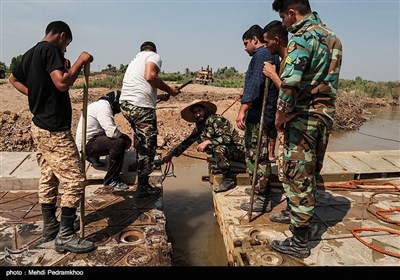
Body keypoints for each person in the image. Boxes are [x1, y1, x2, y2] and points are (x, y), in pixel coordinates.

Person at [8, 21, 96, 253]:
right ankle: (66, 235)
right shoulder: (50, 50)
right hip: (54, 130)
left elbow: (13, 79)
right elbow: (62, 82)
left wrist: (35, 94)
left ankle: (51, 227)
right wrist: (80, 61)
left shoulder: (29, 53)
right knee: (75, 180)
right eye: (66, 44)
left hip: (39, 126)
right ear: (62, 36)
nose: (65, 49)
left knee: (49, 177)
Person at [269, 0, 343, 258]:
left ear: (292, 13)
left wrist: (280, 115)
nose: (283, 24)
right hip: (323, 118)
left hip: (302, 118)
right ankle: (295, 214)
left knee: (297, 175)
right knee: (310, 172)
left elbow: (290, 83)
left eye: (283, 17)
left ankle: (300, 240)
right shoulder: (332, 37)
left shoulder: (302, 38)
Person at [120, 41, 180, 198]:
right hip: (141, 107)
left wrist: (158, 96)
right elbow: (150, 76)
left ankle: (141, 165)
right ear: (154, 51)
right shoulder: (153, 56)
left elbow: (140, 84)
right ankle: (143, 186)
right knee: (149, 145)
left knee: (141, 139)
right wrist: (169, 90)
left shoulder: (135, 60)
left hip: (126, 105)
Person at [236, 25, 280, 213]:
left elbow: (255, 86)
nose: (245, 48)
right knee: (259, 153)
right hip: (267, 112)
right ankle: (258, 186)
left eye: (246, 43)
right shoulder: (269, 54)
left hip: (259, 115)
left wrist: (242, 110)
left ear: (255, 40)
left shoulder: (260, 55)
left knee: (256, 155)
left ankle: (261, 197)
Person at [163, 100, 245, 193]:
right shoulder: (200, 125)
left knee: (218, 149)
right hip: (228, 151)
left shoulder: (216, 120)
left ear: (205, 110)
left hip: (238, 151)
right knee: (208, 143)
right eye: (195, 112)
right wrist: (171, 155)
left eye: (199, 111)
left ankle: (228, 179)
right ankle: (222, 165)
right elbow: (188, 141)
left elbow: (228, 138)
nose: (198, 114)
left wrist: (207, 142)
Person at [262, 20, 291, 225]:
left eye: (267, 41)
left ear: (277, 39)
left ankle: (293, 212)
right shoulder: (283, 59)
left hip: (291, 123)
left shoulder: (289, 60)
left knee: (289, 170)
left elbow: (289, 92)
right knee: (285, 168)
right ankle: (293, 209)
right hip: (285, 124)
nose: (266, 46)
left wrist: (272, 75)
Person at [75, 90, 132, 190]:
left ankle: (94, 158)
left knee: (107, 136)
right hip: (87, 145)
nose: (119, 111)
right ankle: (111, 179)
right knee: (118, 143)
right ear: (115, 102)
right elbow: (112, 132)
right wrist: (126, 138)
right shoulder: (104, 108)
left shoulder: (98, 105)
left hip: (88, 141)